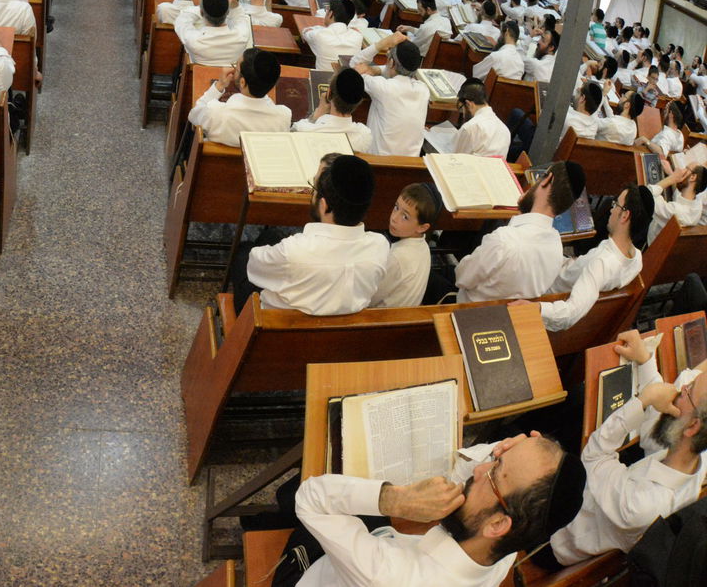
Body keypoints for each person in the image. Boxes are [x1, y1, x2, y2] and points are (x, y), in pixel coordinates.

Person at [292, 432, 583, 587]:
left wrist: (394, 500)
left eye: (494, 471)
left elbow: (310, 498)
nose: (481, 467)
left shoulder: (390, 575)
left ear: (497, 524)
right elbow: (476, 473)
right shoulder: (502, 547)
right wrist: (508, 452)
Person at [547, 329, 707, 567]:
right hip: (589, 499)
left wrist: (642, 400)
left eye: (689, 389)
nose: (681, 388)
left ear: (693, 426)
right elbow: (655, 430)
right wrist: (645, 361)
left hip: (554, 535)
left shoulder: (642, 505)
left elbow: (594, 456)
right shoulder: (692, 458)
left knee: (554, 420)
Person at [241, 154, 388, 315]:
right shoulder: (380, 247)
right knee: (269, 237)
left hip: (275, 328)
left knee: (244, 253)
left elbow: (254, 267)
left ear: (324, 206)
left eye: (315, 188)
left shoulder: (293, 251)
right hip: (334, 333)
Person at [453, 161, 585, 302]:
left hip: (464, 311)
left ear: (547, 180)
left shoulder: (504, 240)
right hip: (506, 318)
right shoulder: (557, 248)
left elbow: (462, 278)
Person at [535, 185, 650, 333]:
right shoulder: (637, 259)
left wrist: (537, 307)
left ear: (625, 215)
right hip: (565, 272)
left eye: (616, 204)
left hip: (546, 289)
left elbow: (570, 313)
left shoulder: (601, 263)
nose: (611, 209)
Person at [188, 47, 291, 145]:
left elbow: (194, 115)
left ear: (242, 82)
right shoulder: (284, 117)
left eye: (236, 68)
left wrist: (219, 85)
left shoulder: (216, 112)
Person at [353, 36, 429, 157]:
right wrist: (377, 70)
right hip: (410, 165)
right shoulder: (424, 90)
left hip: (377, 163)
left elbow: (355, 65)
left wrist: (382, 43)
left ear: (392, 62)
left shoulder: (382, 87)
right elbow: (396, 71)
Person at [373, 182, 439, 307]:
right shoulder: (423, 245)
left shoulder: (398, 258)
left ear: (422, 227)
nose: (394, 218)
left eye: (405, 216)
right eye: (396, 207)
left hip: (383, 319)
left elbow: (371, 296)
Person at [291, 67, 373, 153]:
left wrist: (316, 115)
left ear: (329, 94)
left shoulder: (303, 129)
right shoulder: (364, 135)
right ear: (359, 102)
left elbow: (291, 136)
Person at [174, 0, 251, 68]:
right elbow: (239, 14)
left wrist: (206, 7)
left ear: (201, 13)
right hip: (229, 78)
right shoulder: (242, 35)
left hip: (199, 78)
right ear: (228, 12)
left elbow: (183, 18)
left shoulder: (193, 39)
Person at [452, 80, 512, 159]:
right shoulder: (505, 130)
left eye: (462, 109)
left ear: (468, 104)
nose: (463, 115)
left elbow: (455, 159)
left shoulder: (470, 128)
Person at [301, 0, 364, 71]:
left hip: (322, 80)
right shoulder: (358, 36)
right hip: (346, 80)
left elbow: (305, 32)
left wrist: (318, 28)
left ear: (330, 13)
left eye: (327, 10)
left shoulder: (319, 35)